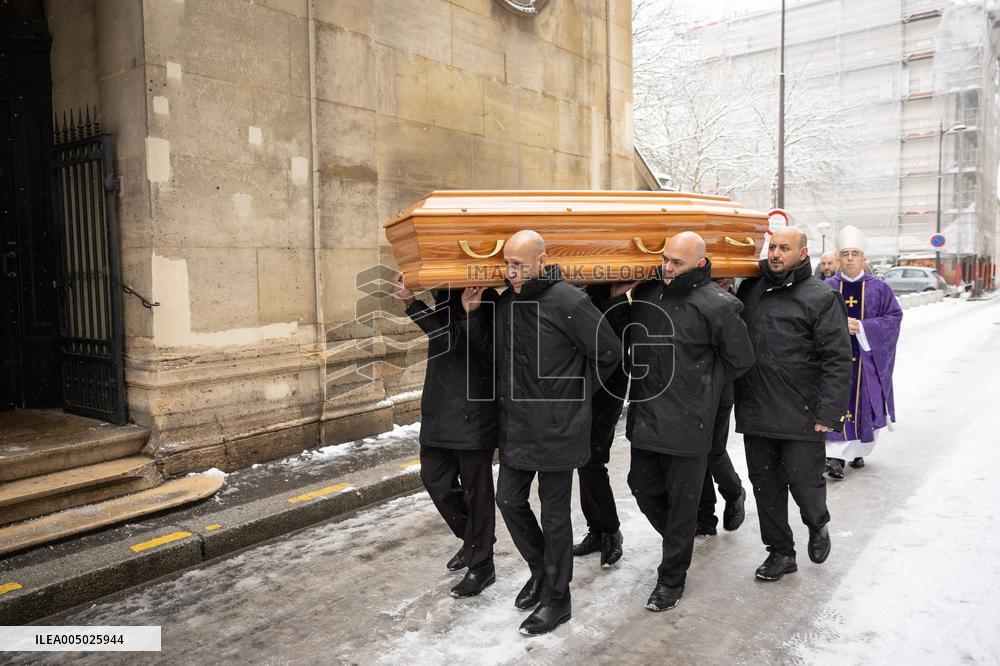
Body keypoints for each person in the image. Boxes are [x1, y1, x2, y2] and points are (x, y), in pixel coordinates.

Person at [462, 230, 622, 636]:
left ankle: (558, 599)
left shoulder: (568, 299)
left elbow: (609, 352)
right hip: (516, 426)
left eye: (519, 264)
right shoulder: (507, 302)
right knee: (509, 500)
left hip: (558, 429)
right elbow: (492, 356)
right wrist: (473, 313)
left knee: (554, 517)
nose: (512, 273)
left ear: (541, 260)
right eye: (507, 264)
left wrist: (574, 393)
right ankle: (541, 571)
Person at [625, 232, 755, 611]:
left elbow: (741, 359)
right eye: (665, 259)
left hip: (689, 420)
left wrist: (703, 388)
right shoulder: (648, 296)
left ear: (700, 263)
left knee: (684, 505)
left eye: (676, 262)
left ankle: (671, 579)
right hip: (647, 413)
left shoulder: (718, 305)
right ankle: (676, 543)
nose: (667, 267)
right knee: (642, 488)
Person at [735, 226, 853, 581]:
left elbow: (837, 358)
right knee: (765, 487)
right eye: (773, 247)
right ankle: (781, 553)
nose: (775, 254)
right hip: (757, 411)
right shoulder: (751, 289)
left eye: (784, 248)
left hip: (802, 413)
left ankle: (817, 522)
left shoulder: (820, 297)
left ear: (803, 254)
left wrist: (828, 412)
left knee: (804, 483)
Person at [393, 281, 500, 598]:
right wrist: (414, 300)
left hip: (473, 410)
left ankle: (482, 565)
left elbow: (468, 345)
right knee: (434, 478)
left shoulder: (487, 297)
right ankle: (474, 539)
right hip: (440, 408)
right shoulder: (444, 295)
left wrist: (472, 313)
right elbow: (444, 337)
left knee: (476, 491)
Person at [823, 226, 903, 478]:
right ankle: (834, 457)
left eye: (855, 253)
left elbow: (894, 318)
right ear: (838, 258)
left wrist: (864, 327)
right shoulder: (825, 288)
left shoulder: (880, 288)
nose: (849, 258)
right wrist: (836, 326)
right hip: (834, 361)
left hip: (866, 360)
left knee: (862, 403)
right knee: (835, 401)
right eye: (845, 253)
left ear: (863, 259)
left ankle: (857, 449)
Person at [572, 284, 629, 567]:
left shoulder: (615, 300)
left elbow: (616, 350)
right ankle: (598, 530)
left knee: (592, 460)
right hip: (583, 386)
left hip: (607, 388)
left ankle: (609, 531)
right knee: (585, 461)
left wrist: (614, 298)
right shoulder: (576, 296)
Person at [696, 277, 747, 537]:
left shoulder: (733, 304)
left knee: (712, 450)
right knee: (695, 451)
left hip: (720, 386)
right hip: (692, 387)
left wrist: (716, 379)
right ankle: (705, 515)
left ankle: (734, 491)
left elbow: (740, 356)